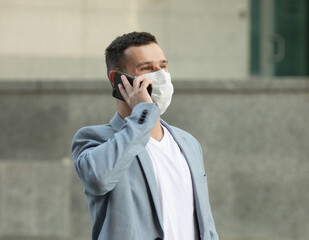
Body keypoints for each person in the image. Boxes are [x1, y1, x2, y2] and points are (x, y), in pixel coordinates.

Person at [71, 31, 219, 240]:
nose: (160, 75)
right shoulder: (94, 139)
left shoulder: (188, 142)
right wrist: (143, 113)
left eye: (163, 66)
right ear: (117, 79)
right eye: (147, 68)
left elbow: (205, 222)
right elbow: (99, 179)